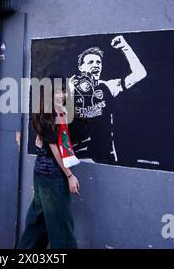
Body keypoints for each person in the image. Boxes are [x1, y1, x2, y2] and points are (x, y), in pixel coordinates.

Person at [18, 78, 79, 249]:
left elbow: (45, 142)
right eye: (59, 91)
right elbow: (55, 148)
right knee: (61, 226)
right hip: (52, 175)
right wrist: (70, 175)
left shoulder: (48, 112)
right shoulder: (50, 115)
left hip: (42, 173)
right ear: (50, 94)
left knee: (38, 223)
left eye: (65, 91)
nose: (64, 95)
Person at [69, 35, 147, 164]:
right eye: (90, 62)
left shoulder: (107, 86)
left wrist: (125, 47)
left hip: (106, 155)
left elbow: (140, 74)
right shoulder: (69, 88)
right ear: (81, 68)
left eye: (98, 62)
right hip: (80, 155)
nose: (96, 65)